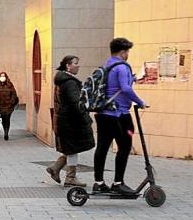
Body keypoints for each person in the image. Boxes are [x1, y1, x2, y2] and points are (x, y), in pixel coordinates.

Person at [93, 37, 145, 195]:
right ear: (123, 52)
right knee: (125, 146)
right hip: (119, 114)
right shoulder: (122, 67)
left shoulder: (108, 65)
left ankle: (99, 182)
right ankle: (118, 182)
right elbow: (125, 88)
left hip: (103, 114)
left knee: (102, 147)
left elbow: (115, 86)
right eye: (127, 51)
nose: (127, 54)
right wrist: (140, 102)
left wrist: (131, 80)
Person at [46, 55, 95, 187]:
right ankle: (70, 177)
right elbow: (76, 103)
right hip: (70, 122)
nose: (78, 66)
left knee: (69, 148)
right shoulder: (69, 83)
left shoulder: (63, 81)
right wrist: (86, 119)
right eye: (75, 63)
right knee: (73, 149)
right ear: (68, 65)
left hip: (64, 121)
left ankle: (55, 168)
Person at [0, 71, 19, 140]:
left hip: (9, 106)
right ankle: (5, 130)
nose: (2, 77)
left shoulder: (10, 84)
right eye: (1, 76)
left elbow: (14, 94)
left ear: (6, 77)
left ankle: (6, 133)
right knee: (3, 119)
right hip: (1, 106)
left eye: (4, 76)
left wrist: (11, 102)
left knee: (7, 119)